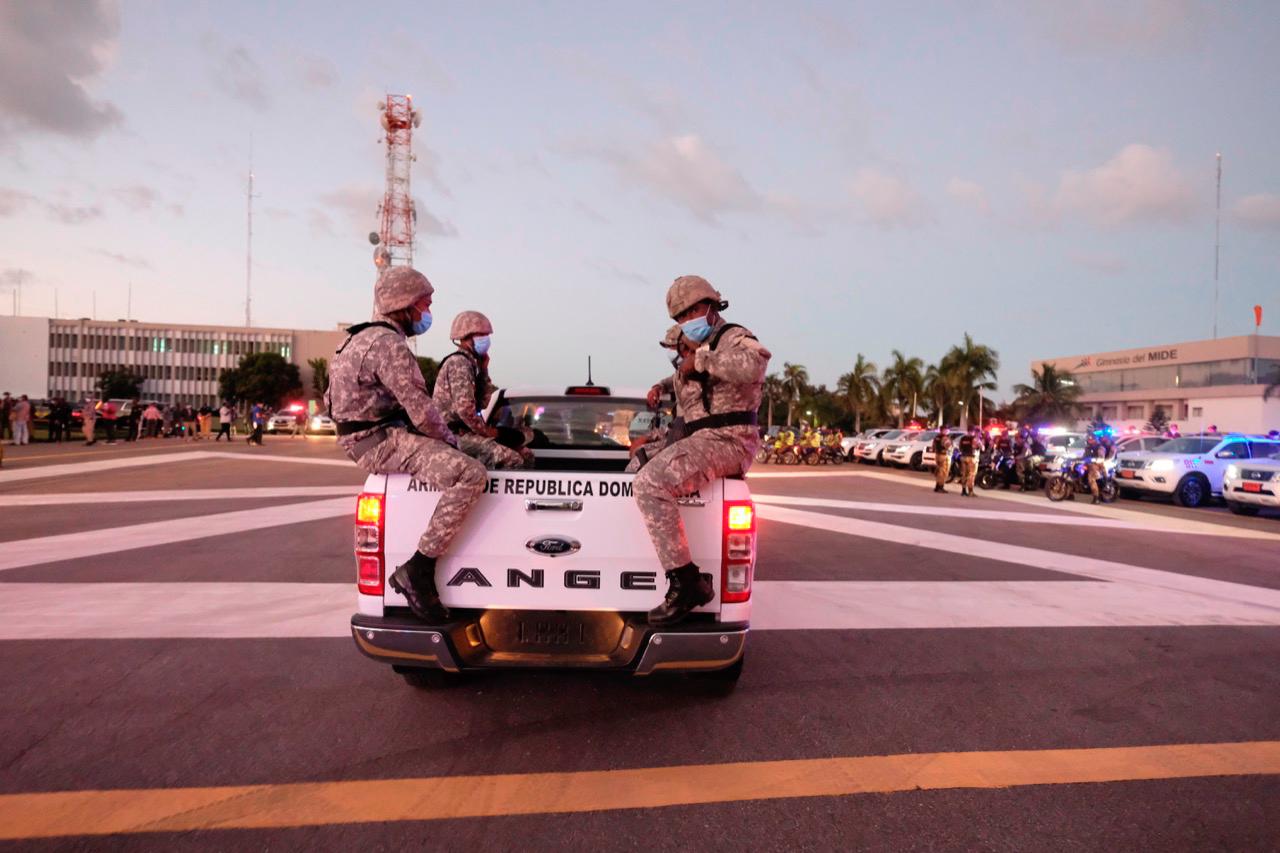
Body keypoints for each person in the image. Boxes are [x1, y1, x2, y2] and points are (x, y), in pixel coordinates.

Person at [327, 266, 486, 622]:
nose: (426, 313)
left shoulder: (356, 338)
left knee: (472, 454)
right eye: (424, 305)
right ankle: (418, 569)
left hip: (369, 435)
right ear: (405, 304)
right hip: (379, 440)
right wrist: (451, 446)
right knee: (470, 474)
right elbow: (423, 412)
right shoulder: (389, 345)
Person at [634, 275, 771, 627]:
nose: (683, 324)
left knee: (650, 483)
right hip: (700, 439)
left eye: (688, 314)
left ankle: (686, 583)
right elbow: (690, 375)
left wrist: (704, 360)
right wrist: (662, 384)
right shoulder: (698, 350)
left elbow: (753, 365)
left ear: (708, 307)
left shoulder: (732, 338)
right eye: (678, 318)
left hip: (728, 440)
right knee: (637, 463)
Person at [433, 311, 533, 469]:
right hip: (453, 434)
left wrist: (484, 370)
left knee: (526, 454)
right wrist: (487, 432)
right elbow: (465, 409)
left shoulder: (473, 365)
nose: (486, 339)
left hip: (467, 432)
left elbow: (487, 401)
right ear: (466, 337)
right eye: (481, 335)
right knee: (512, 459)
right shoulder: (459, 363)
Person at [957, 425, 983, 497]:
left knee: (964, 474)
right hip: (972, 458)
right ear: (973, 431)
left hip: (963, 457)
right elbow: (982, 448)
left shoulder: (962, 438)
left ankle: (963, 491)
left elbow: (960, 447)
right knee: (971, 474)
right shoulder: (975, 439)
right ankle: (970, 491)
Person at [932, 427, 952, 493]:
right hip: (944, 455)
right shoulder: (945, 438)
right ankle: (940, 487)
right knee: (943, 472)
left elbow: (933, 446)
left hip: (937, 455)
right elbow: (948, 446)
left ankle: (937, 486)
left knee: (939, 471)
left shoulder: (936, 437)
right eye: (947, 429)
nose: (948, 431)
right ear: (944, 430)